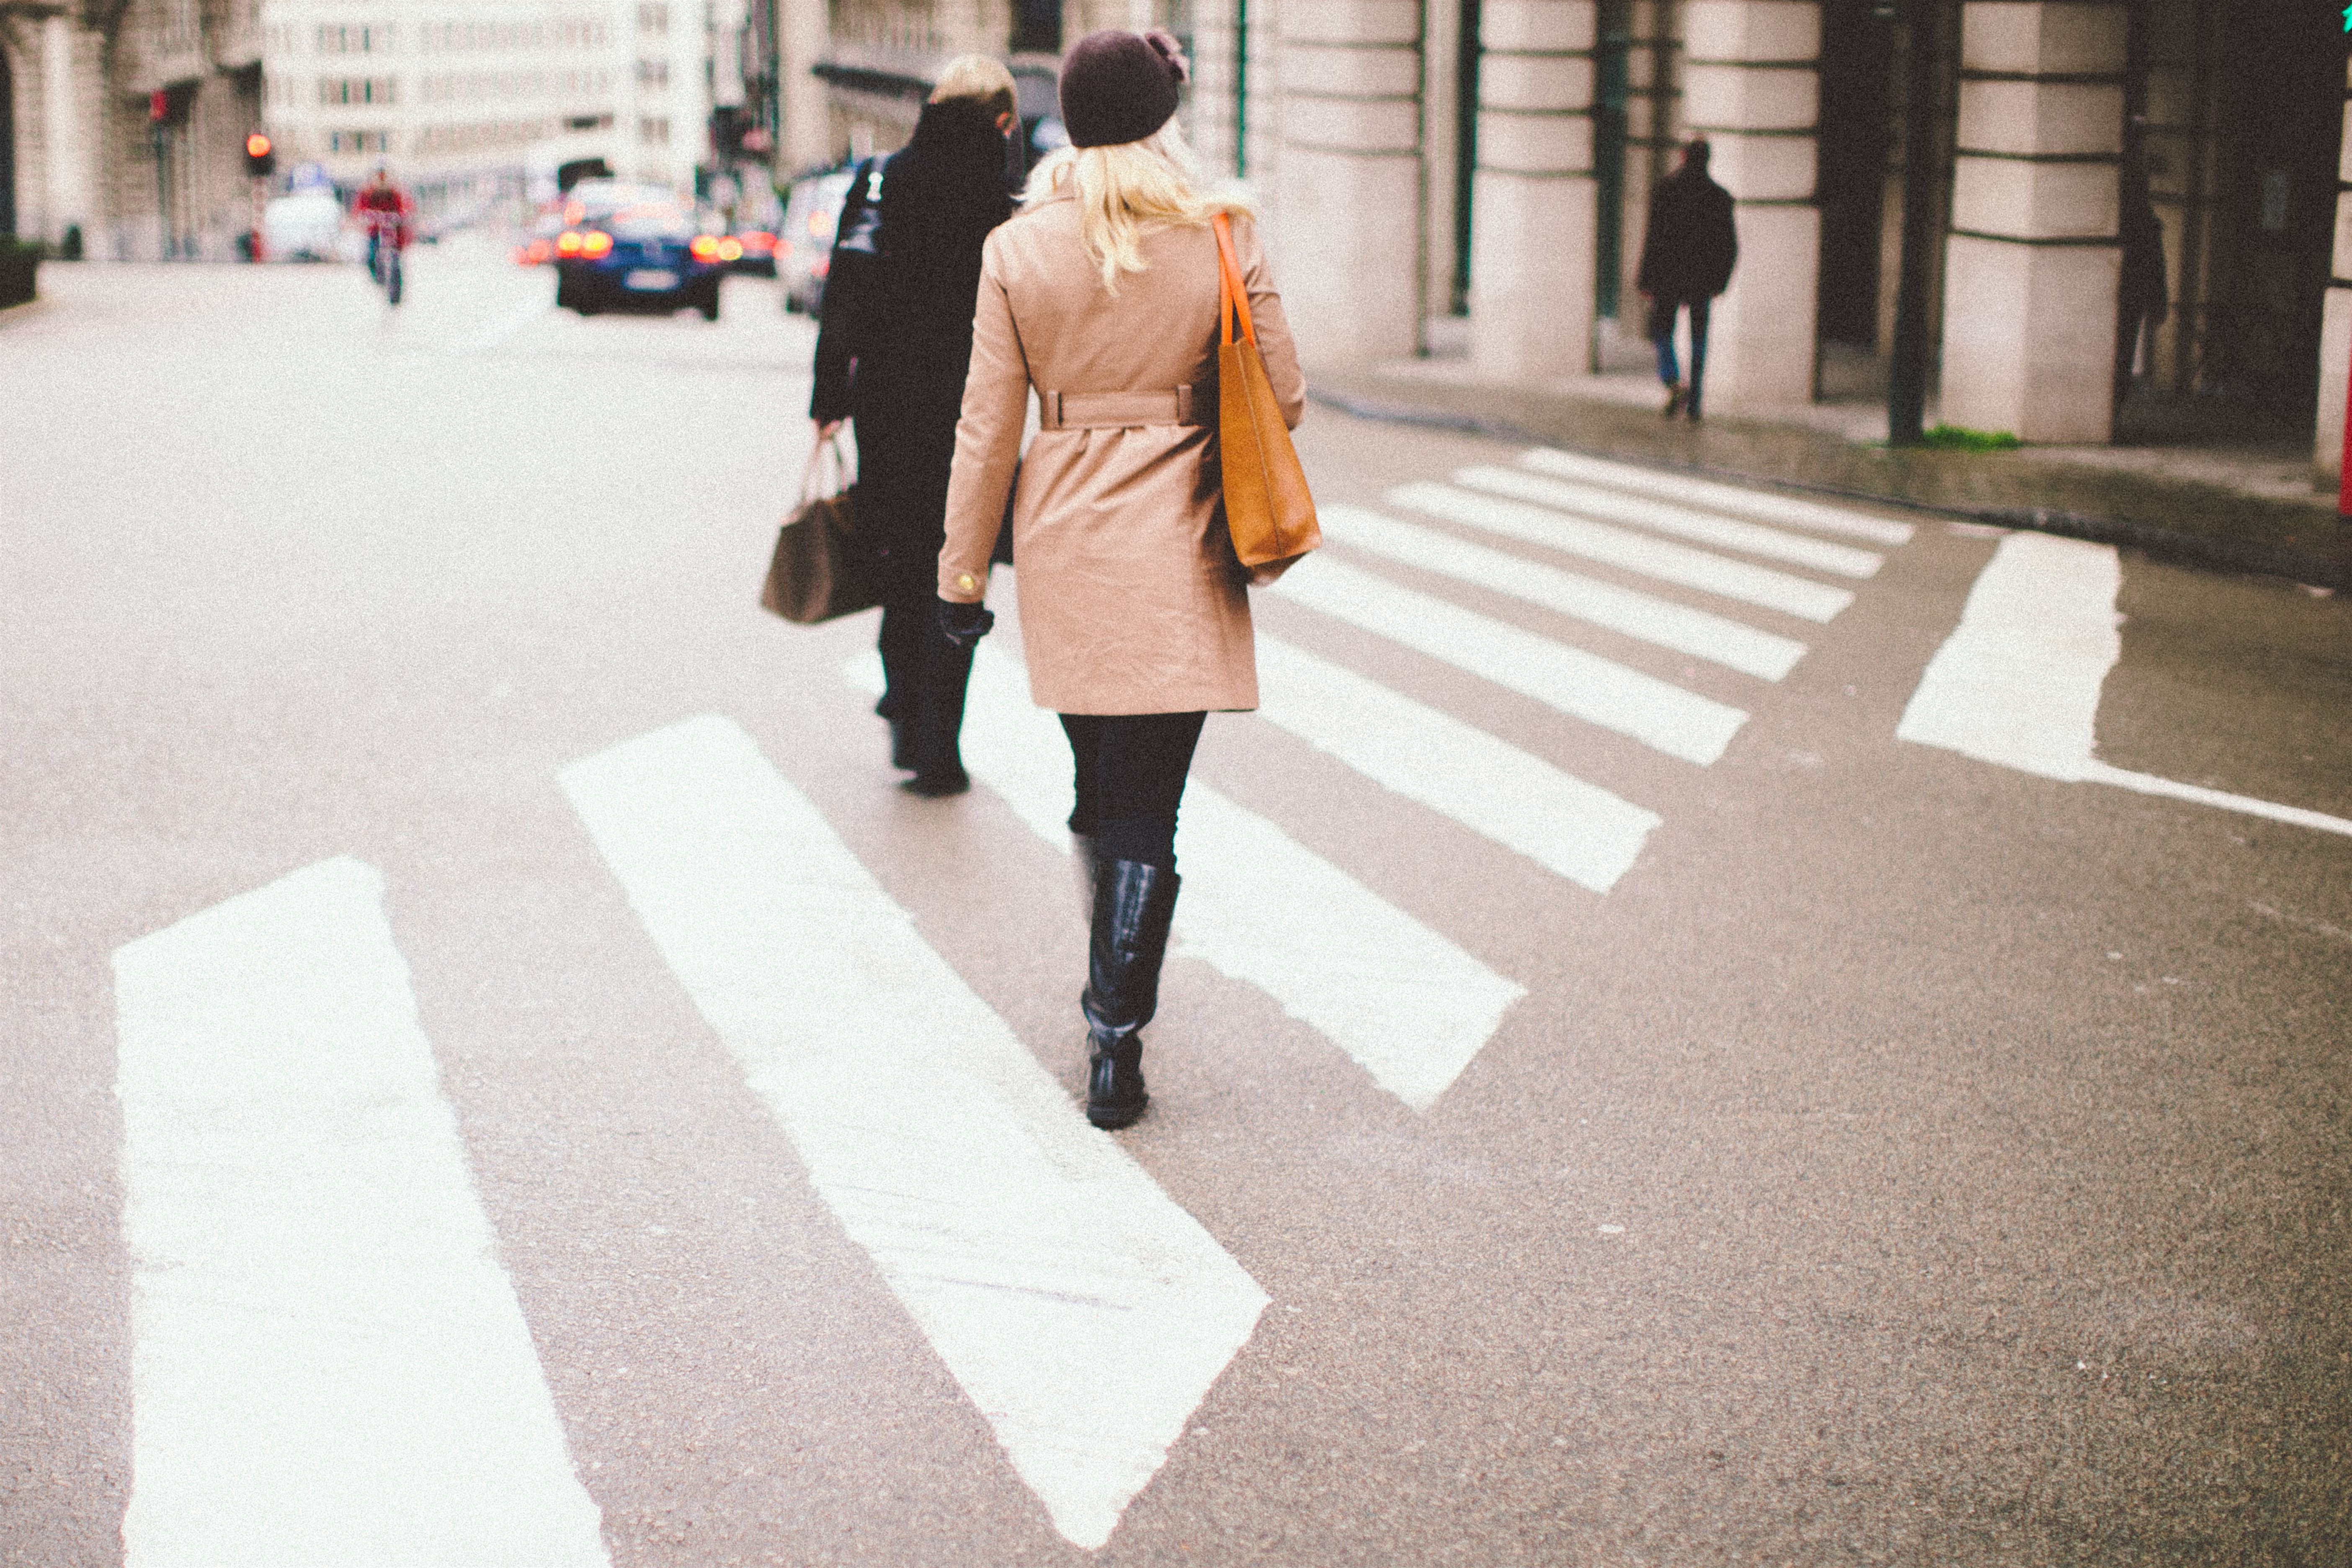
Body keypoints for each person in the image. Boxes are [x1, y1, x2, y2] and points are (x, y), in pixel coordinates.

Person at [931, 28, 1305, 1130]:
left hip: (1066, 544)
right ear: (1162, 118)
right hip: (1184, 541)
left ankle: (1110, 993)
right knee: (1152, 807)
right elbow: (1283, 395)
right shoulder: (1222, 234)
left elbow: (986, 428)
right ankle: (1115, 1037)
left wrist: (962, 576)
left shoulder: (1018, 248)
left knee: (1098, 791)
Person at [809, 57, 1021, 796]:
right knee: (960, 574)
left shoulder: (879, 180)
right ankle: (939, 746)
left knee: (901, 564)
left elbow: (844, 292)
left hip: (889, 408)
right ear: (1001, 121)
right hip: (975, 415)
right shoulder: (1005, 198)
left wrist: (828, 397)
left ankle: (903, 704)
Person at [1634, 139, 1737, 420]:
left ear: (1683, 156)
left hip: (1668, 276)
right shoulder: (1719, 197)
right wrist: (1720, 282)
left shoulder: (1665, 190)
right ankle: (1696, 401)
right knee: (1699, 339)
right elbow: (1729, 246)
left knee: (1662, 331)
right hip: (1702, 279)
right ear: (1708, 160)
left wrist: (1645, 279)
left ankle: (1673, 380)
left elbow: (1653, 239)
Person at [352, 167, 414, 303]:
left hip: (393, 231)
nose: (382, 180)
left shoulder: (396, 192)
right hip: (376, 231)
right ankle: (378, 278)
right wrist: (366, 217)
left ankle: (396, 290)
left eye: (384, 177)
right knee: (371, 255)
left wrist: (402, 216)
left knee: (396, 258)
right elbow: (360, 209)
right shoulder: (368, 192)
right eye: (379, 177)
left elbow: (406, 207)